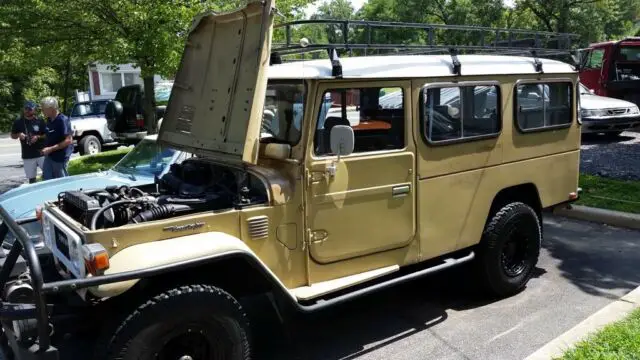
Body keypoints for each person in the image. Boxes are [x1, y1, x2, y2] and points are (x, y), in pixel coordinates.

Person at [10, 100, 47, 183]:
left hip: (41, 152)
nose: (27, 111)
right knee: (32, 179)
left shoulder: (40, 121)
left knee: (48, 174)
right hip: (27, 154)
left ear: (34, 110)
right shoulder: (18, 122)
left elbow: (46, 135)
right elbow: (12, 135)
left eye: (30, 109)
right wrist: (19, 134)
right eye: (26, 108)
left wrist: (37, 137)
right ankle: (34, 193)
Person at [40, 97, 74, 180]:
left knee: (61, 181)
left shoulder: (62, 120)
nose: (42, 111)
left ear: (51, 109)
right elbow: (50, 134)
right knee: (47, 178)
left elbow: (68, 140)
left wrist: (50, 149)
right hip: (50, 156)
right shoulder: (49, 120)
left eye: (44, 109)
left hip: (60, 157)